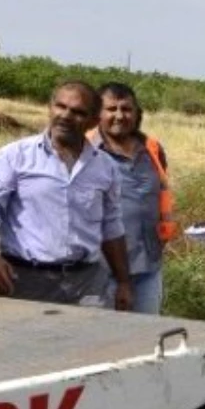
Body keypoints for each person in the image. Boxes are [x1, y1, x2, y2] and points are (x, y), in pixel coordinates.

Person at [0, 80, 133, 310]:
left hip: (87, 286)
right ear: (50, 107)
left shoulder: (105, 167)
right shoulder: (14, 157)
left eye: (77, 112)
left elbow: (112, 227)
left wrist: (124, 282)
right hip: (25, 282)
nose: (65, 115)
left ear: (94, 121)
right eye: (60, 106)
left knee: (89, 345)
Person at [87, 82, 176, 314]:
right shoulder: (85, 151)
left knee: (146, 340)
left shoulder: (152, 149)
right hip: (101, 272)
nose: (119, 115)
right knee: (103, 343)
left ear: (137, 114)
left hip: (149, 267)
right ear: (98, 113)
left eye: (126, 109)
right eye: (111, 109)